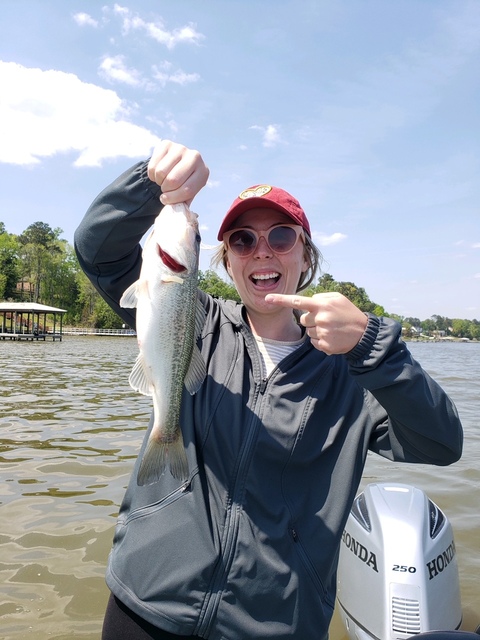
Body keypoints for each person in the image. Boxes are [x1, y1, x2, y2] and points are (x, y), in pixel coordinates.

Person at [74, 140, 463, 640]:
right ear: (227, 261)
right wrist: (150, 184)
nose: (261, 250)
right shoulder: (195, 318)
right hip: (147, 604)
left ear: (306, 255)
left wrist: (373, 348)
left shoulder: (352, 370)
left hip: (275, 625)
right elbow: (97, 250)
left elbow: (441, 443)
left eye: (281, 236)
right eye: (241, 240)